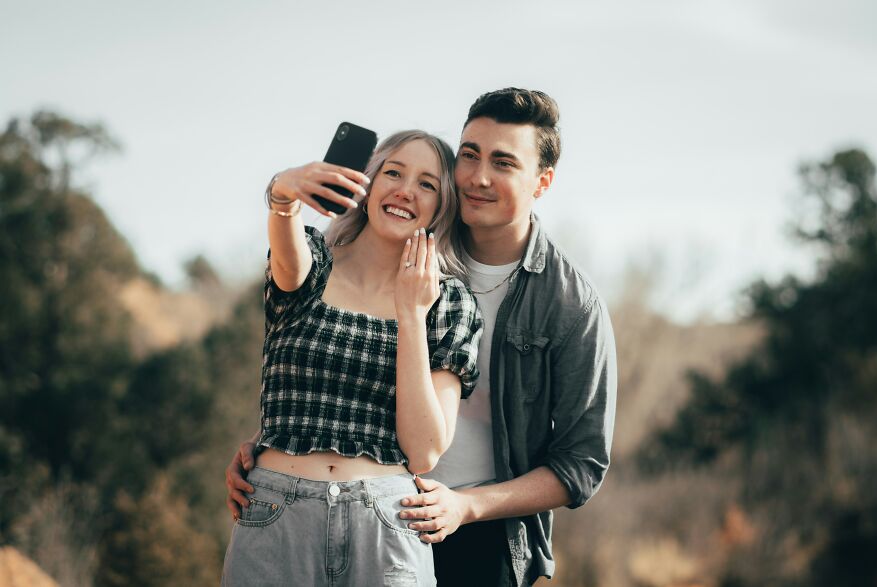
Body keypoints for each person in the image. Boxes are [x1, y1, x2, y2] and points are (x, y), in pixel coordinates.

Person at [227, 89, 617, 586]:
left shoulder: (565, 303)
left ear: (542, 182)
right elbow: (315, 349)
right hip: (363, 505)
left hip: (476, 529)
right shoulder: (361, 255)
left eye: (502, 162)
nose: (478, 176)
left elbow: (581, 464)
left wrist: (467, 505)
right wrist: (271, 454)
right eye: (470, 155)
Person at [221, 130, 483, 587]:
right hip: (275, 514)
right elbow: (287, 261)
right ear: (367, 183)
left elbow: (423, 451)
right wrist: (283, 193)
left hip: (386, 524)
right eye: (394, 173)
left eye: (427, 184)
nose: (405, 190)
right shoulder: (313, 260)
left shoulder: (448, 301)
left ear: (442, 206)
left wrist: (412, 314)